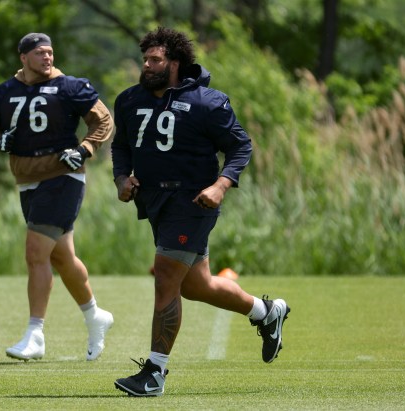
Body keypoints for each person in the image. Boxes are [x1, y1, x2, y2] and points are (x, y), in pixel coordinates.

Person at [111, 27, 290, 396]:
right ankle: (266, 312)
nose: (146, 65)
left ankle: (154, 374)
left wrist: (220, 185)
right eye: (144, 59)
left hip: (193, 203)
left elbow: (240, 147)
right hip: (155, 203)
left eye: (155, 59)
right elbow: (122, 145)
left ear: (174, 63)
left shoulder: (209, 102)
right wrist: (120, 178)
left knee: (165, 276)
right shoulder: (129, 100)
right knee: (196, 286)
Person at [0, 32, 114, 362]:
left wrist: (84, 149)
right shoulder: (2, 93)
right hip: (27, 180)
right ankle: (95, 316)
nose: (48, 58)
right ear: (23, 57)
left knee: (35, 252)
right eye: (40, 53)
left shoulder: (71, 87)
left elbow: (103, 120)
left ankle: (35, 334)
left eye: (51, 52)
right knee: (60, 258)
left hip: (62, 177)